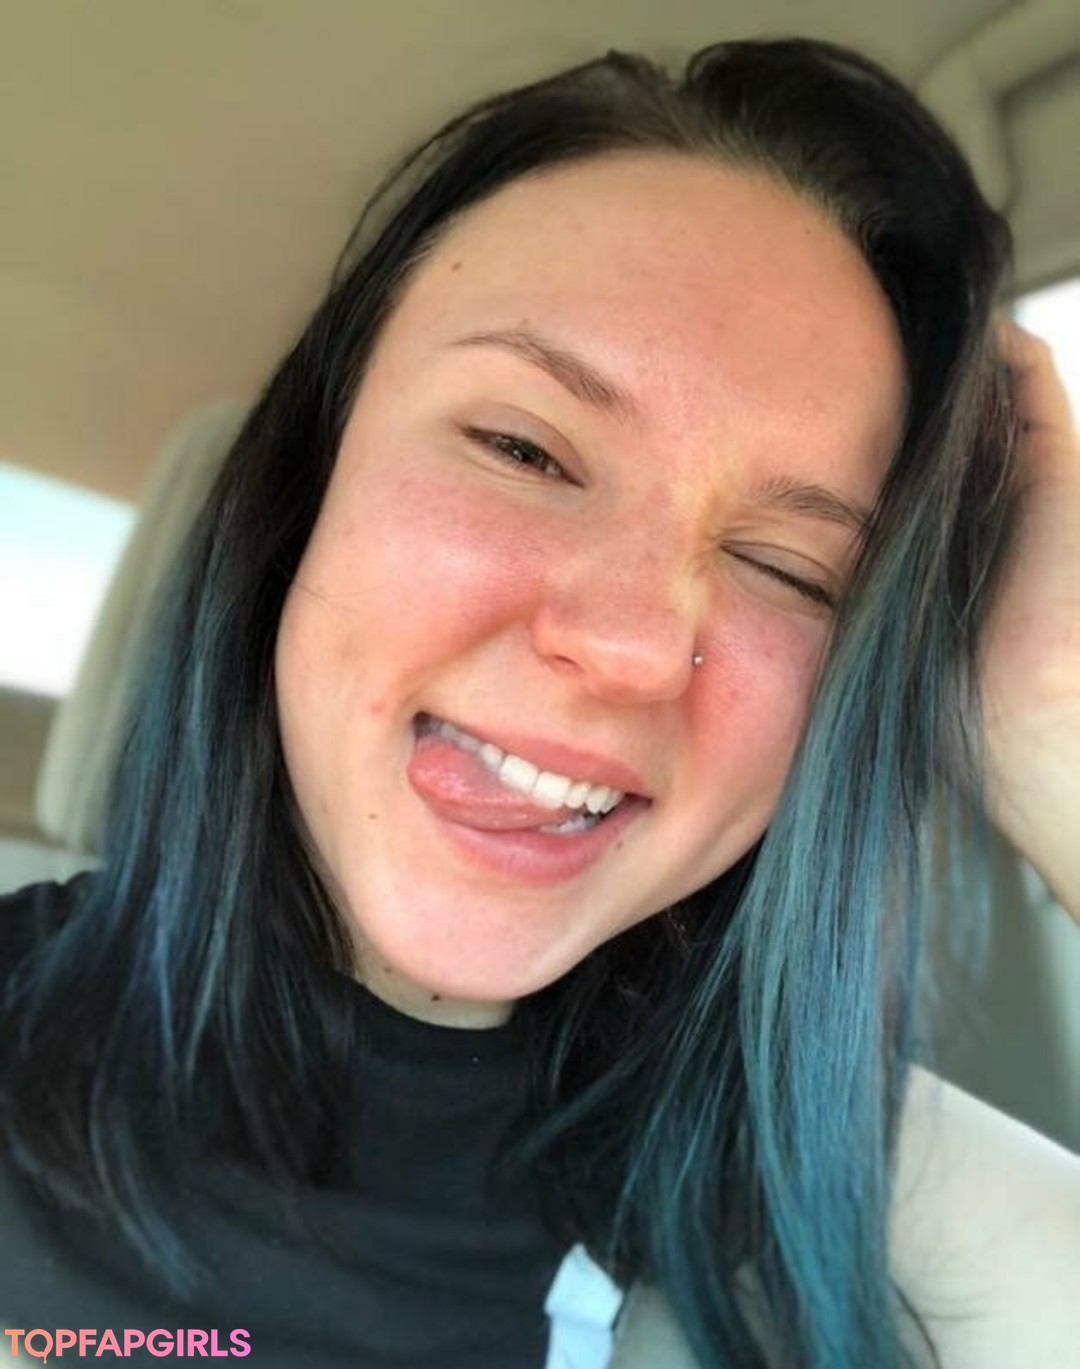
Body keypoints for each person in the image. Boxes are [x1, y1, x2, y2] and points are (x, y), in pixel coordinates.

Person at [1, 35, 1078, 1369]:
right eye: (523, 448)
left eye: (791, 568)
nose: (633, 645)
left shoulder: (882, 1221)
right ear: (307, 489)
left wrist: (1055, 722)